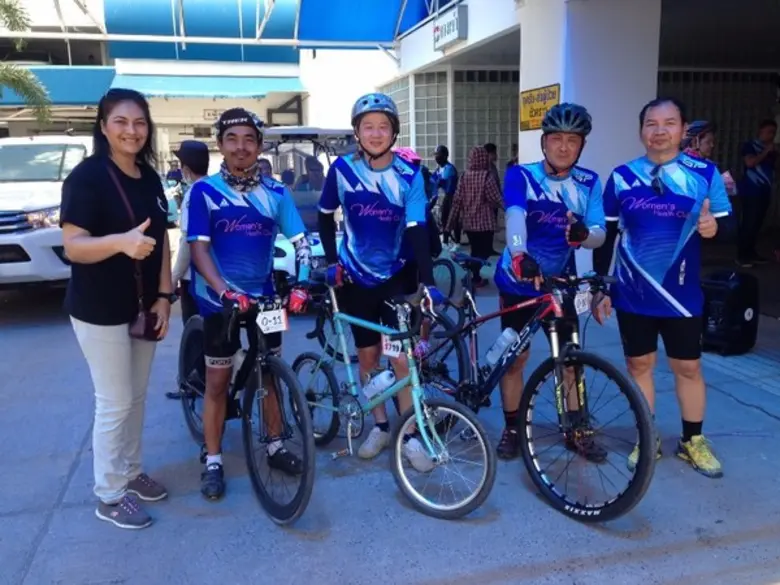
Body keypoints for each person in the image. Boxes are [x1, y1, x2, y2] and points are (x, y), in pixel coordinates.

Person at [593, 97, 734, 478]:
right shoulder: (622, 176)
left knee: (688, 366)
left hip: (682, 294)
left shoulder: (704, 174)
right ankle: (647, 435)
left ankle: (693, 441)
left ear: (683, 129)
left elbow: (730, 229)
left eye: (669, 123)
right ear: (641, 131)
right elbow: (606, 235)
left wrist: (714, 229)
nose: (659, 131)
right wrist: (602, 287)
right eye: (651, 124)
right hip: (633, 291)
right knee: (639, 364)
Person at [60, 88, 173, 530]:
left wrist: (164, 297)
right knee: (115, 400)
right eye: (122, 122)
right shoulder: (87, 178)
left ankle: (130, 471)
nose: (132, 131)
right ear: (104, 126)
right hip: (98, 307)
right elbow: (74, 247)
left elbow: (162, 241)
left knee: (137, 397)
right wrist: (120, 243)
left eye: (140, 122)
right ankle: (109, 494)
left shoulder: (149, 178)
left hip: (143, 305)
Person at [187, 108, 312, 500]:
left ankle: (275, 445)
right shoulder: (204, 192)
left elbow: (301, 241)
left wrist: (303, 283)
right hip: (218, 300)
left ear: (259, 146)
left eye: (249, 139)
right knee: (218, 383)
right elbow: (199, 250)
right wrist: (224, 291)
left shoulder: (276, 194)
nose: (241, 147)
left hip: (265, 298)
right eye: (232, 139)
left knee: (270, 373)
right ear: (221, 145)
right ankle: (213, 459)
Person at [317, 93, 445, 472]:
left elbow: (418, 228)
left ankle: (410, 435)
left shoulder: (410, 175)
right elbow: (325, 216)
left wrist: (428, 281)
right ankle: (381, 426)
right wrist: (330, 261)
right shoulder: (341, 170)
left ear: (394, 132)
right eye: (368, 126)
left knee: (401, 360)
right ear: (357, 132)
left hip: (396, 278)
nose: (375, 133)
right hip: (355, 279)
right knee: (369, 358)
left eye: (383, 126)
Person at [493, 103, 606, 462]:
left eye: (572, 140)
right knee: (516, 359)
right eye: (556, 138)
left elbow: (601, 233)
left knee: (570, 361)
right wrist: (519, 255)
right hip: (519, 282)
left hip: (561, 286)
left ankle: (576, 428)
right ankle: (512, 428)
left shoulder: (589, 182)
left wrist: (583, 234)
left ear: (581, 145)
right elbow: (515, 217)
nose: (563, 146)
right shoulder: (521, 177)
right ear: (543, 141)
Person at [167, 140, 210, 400]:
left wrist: (172, 278)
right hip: (218, 274)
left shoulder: (193, 193)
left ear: (185, 167)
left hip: (193, 276)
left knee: (194, 331)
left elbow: (187, 242)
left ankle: (194, 383)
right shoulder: (217, 187)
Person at [445, 145, 503, 287]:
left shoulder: (464, 176)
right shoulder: (487, 176)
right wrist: (514, 211)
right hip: (485, 224)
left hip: (469, 224)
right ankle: (472, 272)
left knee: (475, 250)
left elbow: (457, 202)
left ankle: (473, 276)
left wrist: (449, 226)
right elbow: (496, 198)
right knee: (484, 252)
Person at [736, 119, 778, 267]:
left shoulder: (772, 150)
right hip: (751, 190)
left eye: (774, 132)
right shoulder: (751, 146)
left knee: (758, 224)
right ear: (761, 131)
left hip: (764, 190)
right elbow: (750, 163)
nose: (771, 135)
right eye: (769, 132)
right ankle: (742, 256)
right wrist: (766, 151)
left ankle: (751, 252)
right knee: (749, 223)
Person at [431, 145, 460, 246]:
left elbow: (440, 181)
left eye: (439, 155)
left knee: (453, 219)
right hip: (446, 196)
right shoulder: (440, 168)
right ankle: (446, 241)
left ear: (445, 156)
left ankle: (457, 242)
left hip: (453, 196)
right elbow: (432, 179)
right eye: (435, 155)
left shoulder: (449, 168)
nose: (436, 157)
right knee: (444, 218)